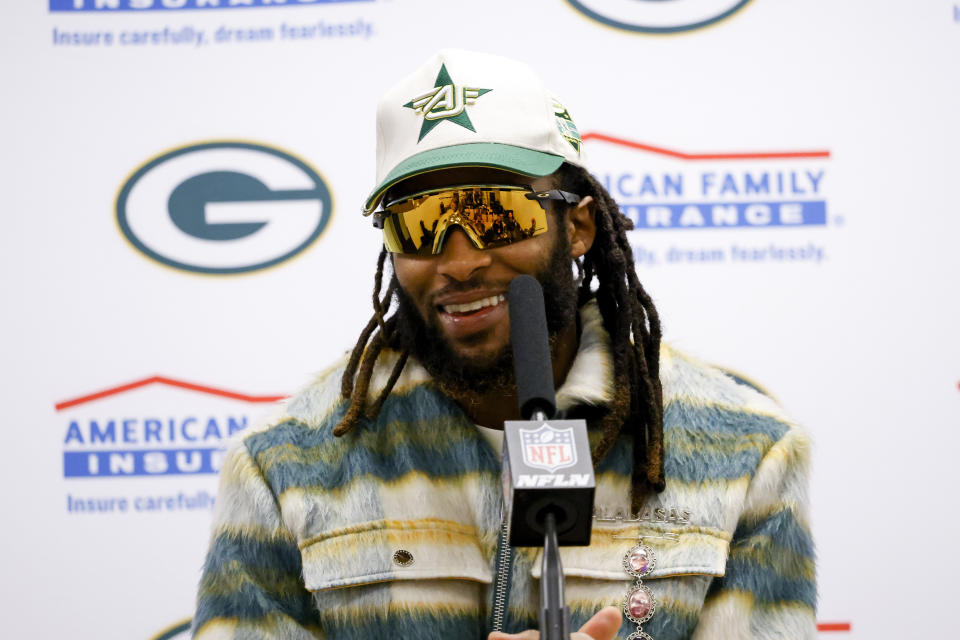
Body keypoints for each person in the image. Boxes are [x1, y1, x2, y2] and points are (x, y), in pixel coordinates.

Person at [192, 50, 816, 640]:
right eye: (418, 222)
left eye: (497, 213)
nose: (459, 261)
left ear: (576, 225)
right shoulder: (284, 466)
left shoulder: (747, 451)